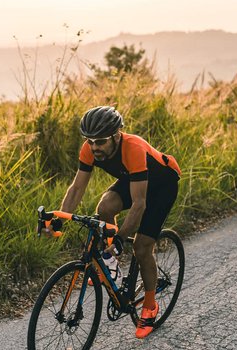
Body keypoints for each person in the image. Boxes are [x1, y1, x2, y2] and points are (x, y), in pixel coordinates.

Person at [42, 106, 181, 339]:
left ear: (116, 136)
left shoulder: (133, 148)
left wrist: (119, 239)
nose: (94, 147)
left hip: (162, 184)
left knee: (141, 247)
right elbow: (76, 188)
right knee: (105, 207)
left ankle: (149, 306)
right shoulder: (89, 149)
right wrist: (59, 220)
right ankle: (111, 263)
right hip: (134, 179)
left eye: (101, 141)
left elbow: (139, 204)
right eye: (90, 141)